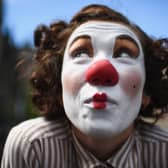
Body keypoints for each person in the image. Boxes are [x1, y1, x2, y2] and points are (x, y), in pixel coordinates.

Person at [1, 4, 168, 168]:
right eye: (80, 53)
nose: (101, 72)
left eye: (124, 54)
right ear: (59, 88)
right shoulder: (30, 146)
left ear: (145, 91)